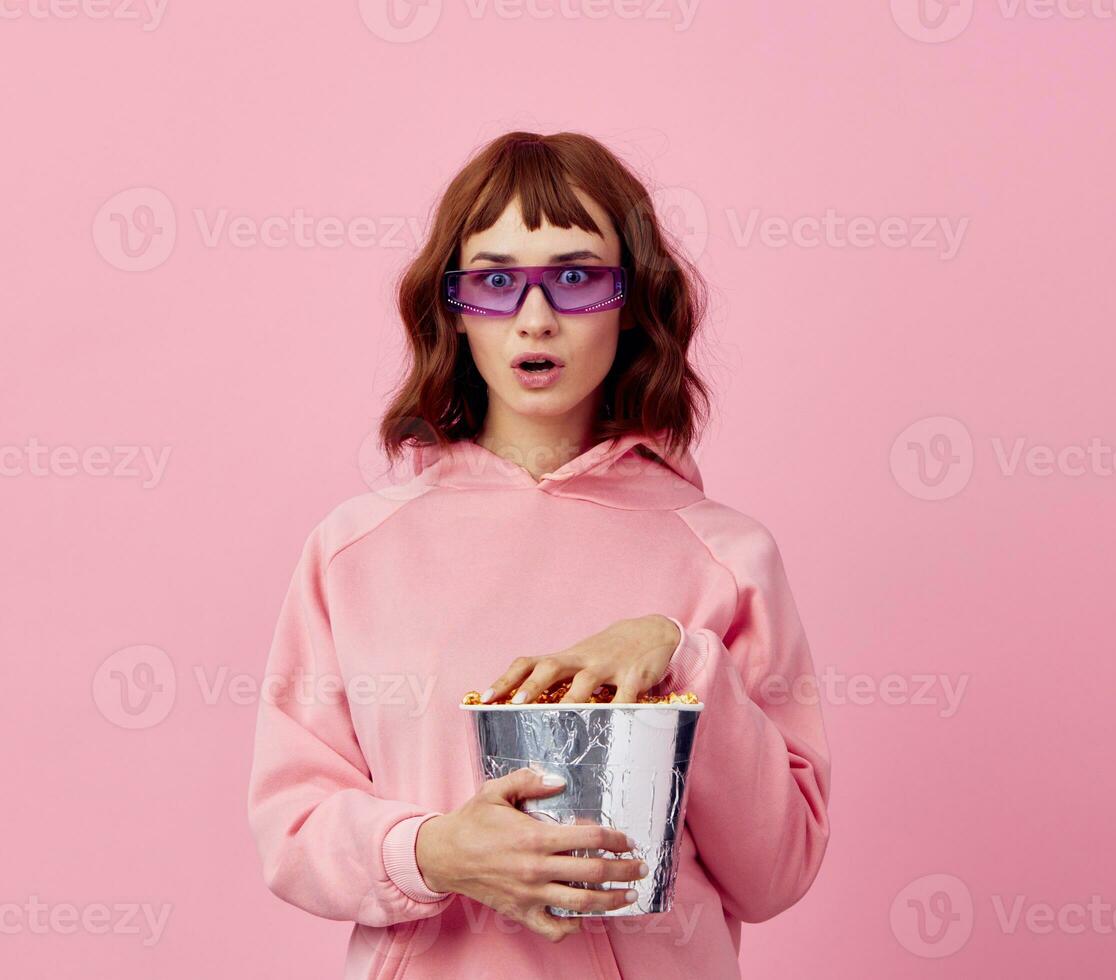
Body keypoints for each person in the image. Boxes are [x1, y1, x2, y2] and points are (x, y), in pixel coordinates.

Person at [246, 131, 832, 979]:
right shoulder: (353, 549)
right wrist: (436, 851)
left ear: (630, 300)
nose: (535, 316)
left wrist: (683, 658)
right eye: (494, 279)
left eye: (574, 275)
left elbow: (777, 872)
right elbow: (290, 826)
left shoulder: (727, 554)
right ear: (451, 307)